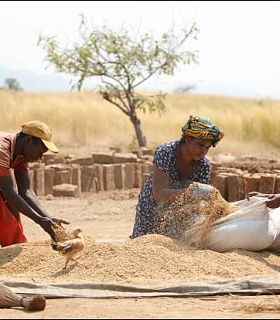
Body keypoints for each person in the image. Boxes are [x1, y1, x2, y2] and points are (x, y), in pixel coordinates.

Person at [131, 115, 224, 239]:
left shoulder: (204, 166)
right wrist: (191, 193)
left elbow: (198, 202)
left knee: (174, 247)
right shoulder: (166, 152)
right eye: (201, 145)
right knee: (143, 244)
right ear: (187, 139)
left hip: (179, 212)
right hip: (151, 207)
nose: (204, 151)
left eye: (207, 147)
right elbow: (158, 193)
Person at [0, 120, 69, 247]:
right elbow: (7, 191)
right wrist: (40, 221)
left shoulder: (21, 155)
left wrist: (48, 219)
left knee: (12, 206)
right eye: (40, 151)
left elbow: (25, 191)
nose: (40, 157)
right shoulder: (2, 148)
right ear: (28, 141)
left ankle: (12, 250)